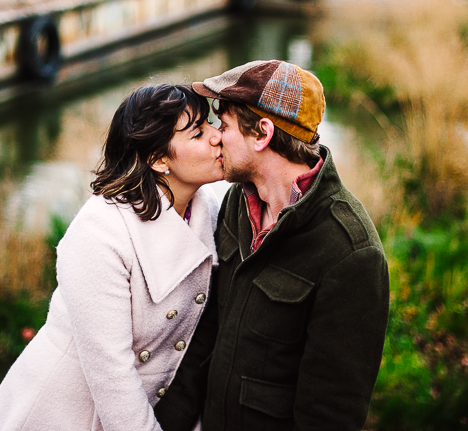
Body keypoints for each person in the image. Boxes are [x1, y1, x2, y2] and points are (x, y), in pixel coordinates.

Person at [154, 60, 390, 431]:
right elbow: (204, 338)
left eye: (225, 124)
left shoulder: (351, 253)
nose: (216, 136)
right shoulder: (236, 203)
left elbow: (329, 413)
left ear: (262, 134)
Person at [0, 83, 224, 431]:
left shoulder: (206, 210)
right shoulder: (100, 232)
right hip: (61, 414)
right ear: (158, 160)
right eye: (199, 133)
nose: (217, 137)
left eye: (212, 124)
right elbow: (113, 374)